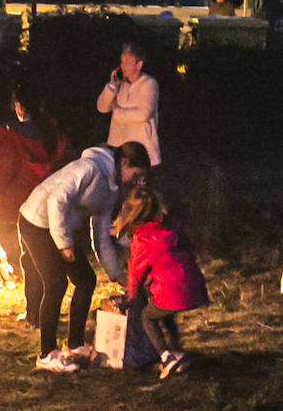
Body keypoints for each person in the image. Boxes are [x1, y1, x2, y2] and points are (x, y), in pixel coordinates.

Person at [17, 141, 152, 373]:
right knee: (56, 284)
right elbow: (56, 200)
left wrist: (117, 274)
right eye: (135, 174)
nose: (134, 181)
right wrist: (63, 244)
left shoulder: (110, 190)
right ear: (125, 162)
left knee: (86, 280)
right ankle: (46, 354)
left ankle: (75, 344)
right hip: (37, 221)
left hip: (61, 230)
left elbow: (101, 237)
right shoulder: (89, 168)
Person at [0, 87, 73, 324]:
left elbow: (0, 174)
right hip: (53, 203)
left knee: (31, 260)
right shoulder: (53, 134)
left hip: (26, 206)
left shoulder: (12, 138)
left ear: (19, 107)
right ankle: (43, 310)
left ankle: (35, 314)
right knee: (44, 257)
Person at [112, 187, 209, 380]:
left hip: (173, 290)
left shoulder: (142, 238)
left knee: (147, 316)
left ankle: (167, 356)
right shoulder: (172, 226)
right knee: (164, 312)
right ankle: (177, 349)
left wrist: (131, 296)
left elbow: (136, 271)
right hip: (194, 286)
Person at [97, 41, 160, 166]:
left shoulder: (149, 84)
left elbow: (142, 115)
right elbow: (102, 108)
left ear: (139, 64)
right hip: (118, 148)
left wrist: (117, 110)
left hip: (141, 150)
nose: (122, 66)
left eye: (127, 62)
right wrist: (111, 86)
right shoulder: (120, 84)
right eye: (122, 61)